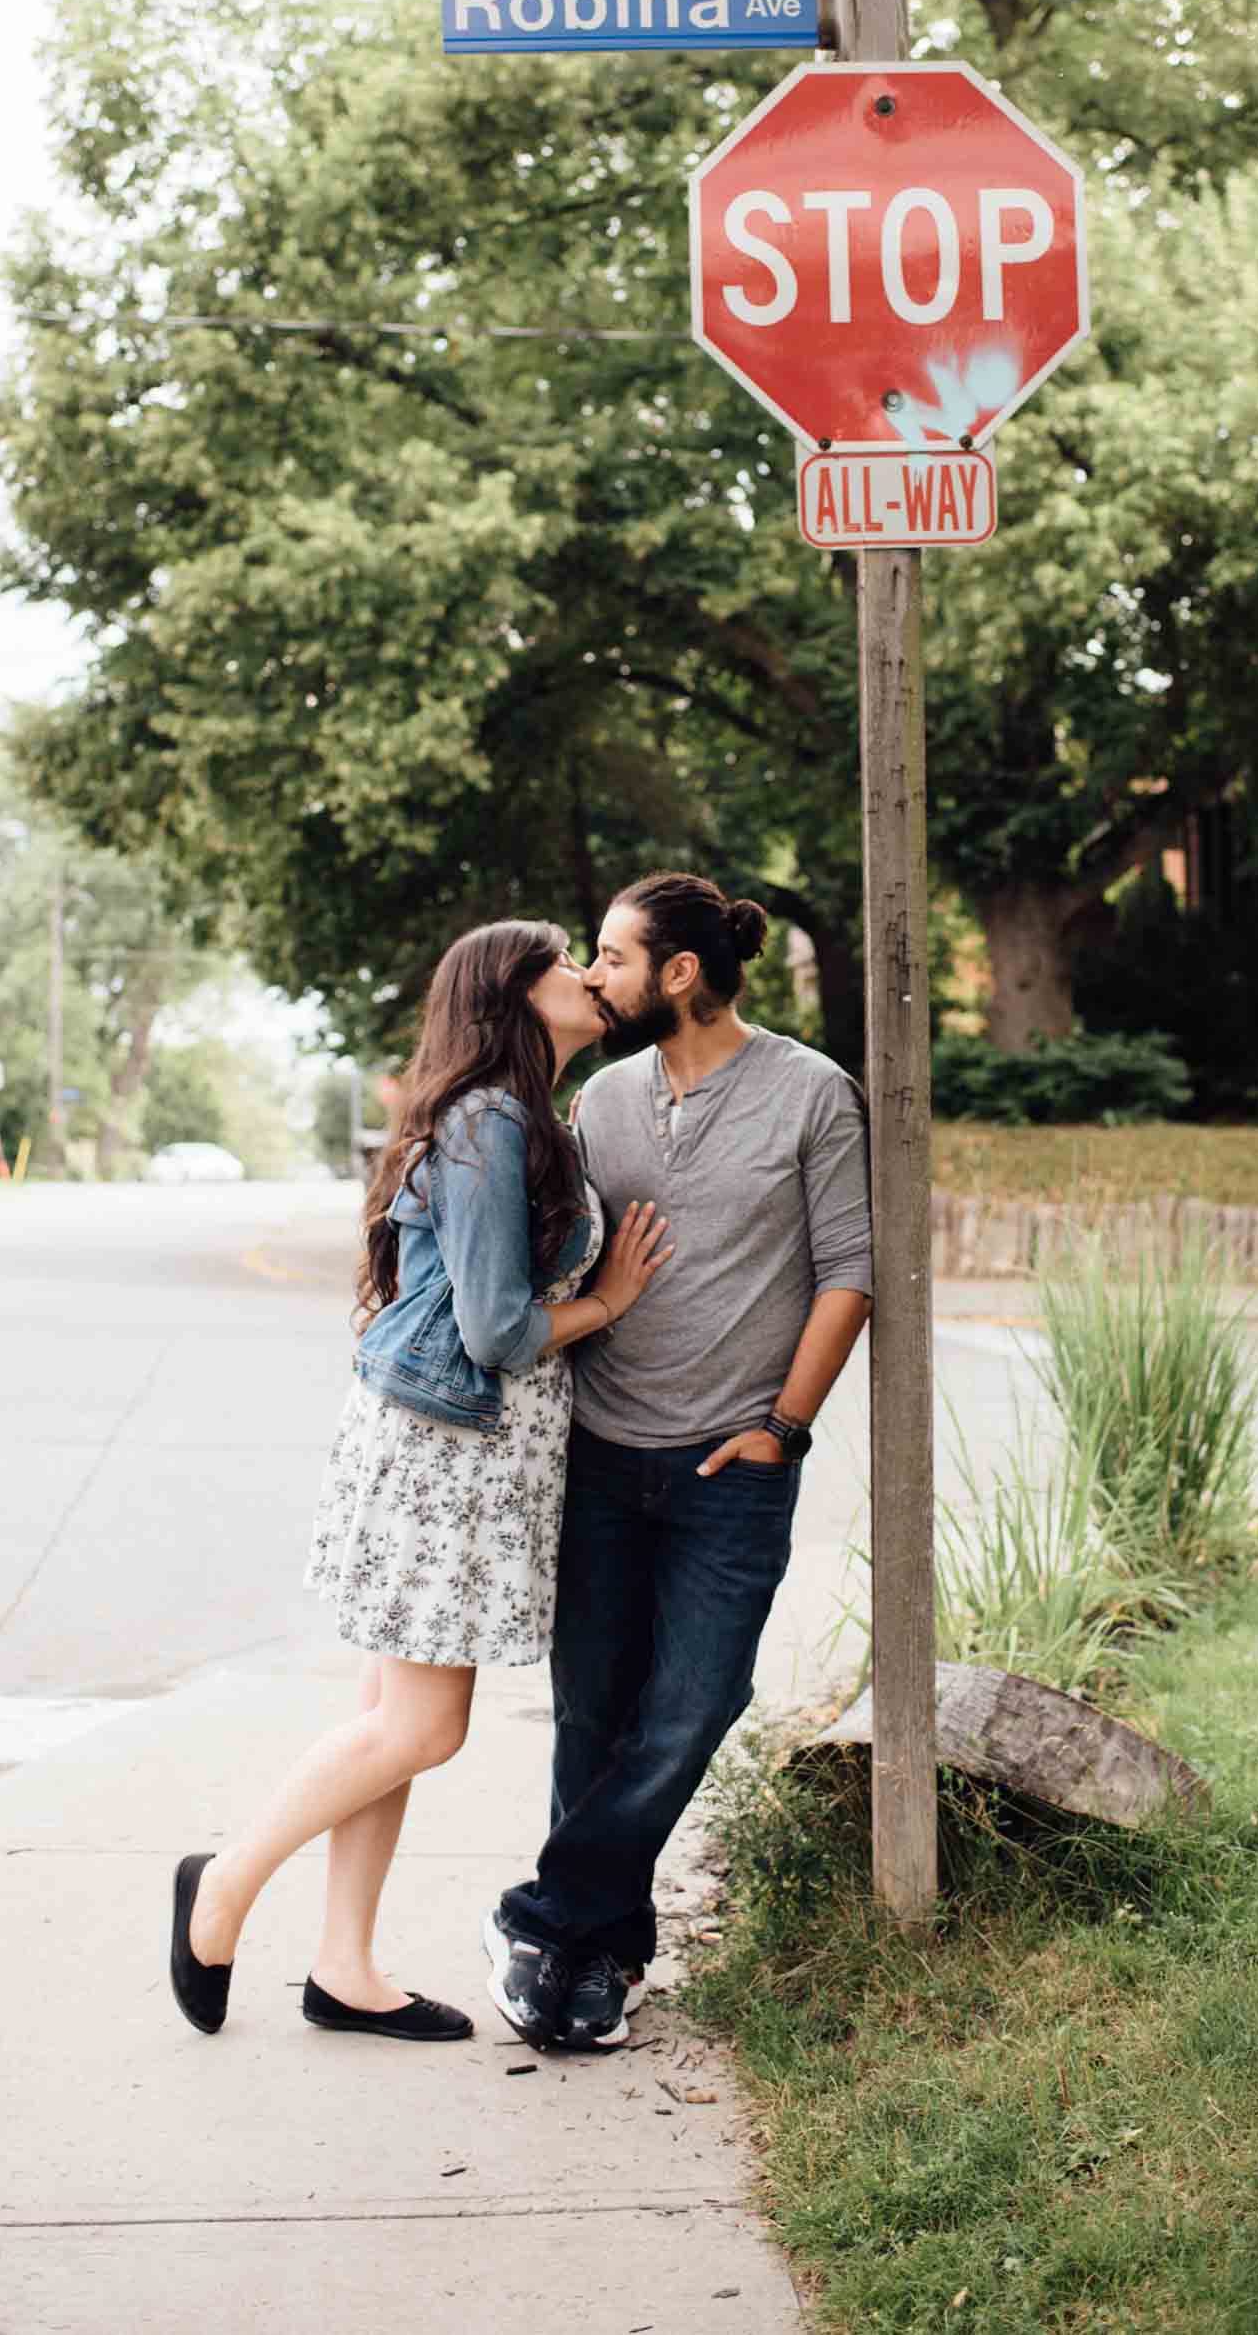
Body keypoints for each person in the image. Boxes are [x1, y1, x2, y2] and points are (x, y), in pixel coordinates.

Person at [169, 919, 671, 2045]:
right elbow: (495, 1327)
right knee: (425, 1728)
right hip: (448, 1449)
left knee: (389, 1717)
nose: (591, 975)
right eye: (565, 961)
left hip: (463, 1448)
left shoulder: (526, 1116)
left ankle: (342, 1964)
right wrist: (609, 1300)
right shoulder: (490, 1119)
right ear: (510, 991)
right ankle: (224, 1884)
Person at [484, 871, 873, 2054]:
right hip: (599, 1454)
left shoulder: (811, 1093)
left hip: (732, 1466)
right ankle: (596, 1956)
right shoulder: (599, 1100)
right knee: (589, 1712)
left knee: (697, 1699)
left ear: (680, 972)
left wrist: (783, 1426)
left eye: (609, 954)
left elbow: (848, 1271)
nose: (594, 974)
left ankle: (543, 1915)